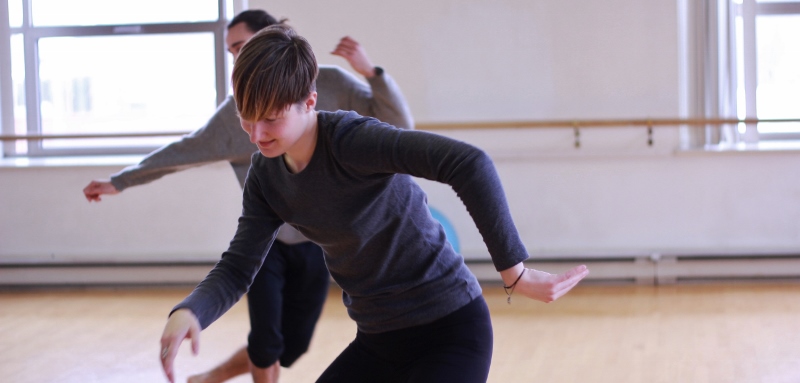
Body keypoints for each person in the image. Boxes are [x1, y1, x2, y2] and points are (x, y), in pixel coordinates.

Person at [158, 24, 589, 383]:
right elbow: (237, 267)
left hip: (451, 331)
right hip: (378, 341)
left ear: (309, 102)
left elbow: (468, 163)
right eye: (246, 119)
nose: (256, 134)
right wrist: (191, 311)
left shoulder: (352, 141)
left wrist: (514, 273)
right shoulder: (266, 177)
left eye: (271, 118)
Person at [82, 9, 414, 383]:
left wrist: (373, 72)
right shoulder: (234, 116)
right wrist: (121, 180)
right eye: (231, 52)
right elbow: (186, 150)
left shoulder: (332, 86)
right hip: (268, 241)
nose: (257, 132)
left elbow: (401, 131)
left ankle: (211, 377)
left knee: (292, 346)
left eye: (242, 46)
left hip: (319, 243)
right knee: (266, 342)